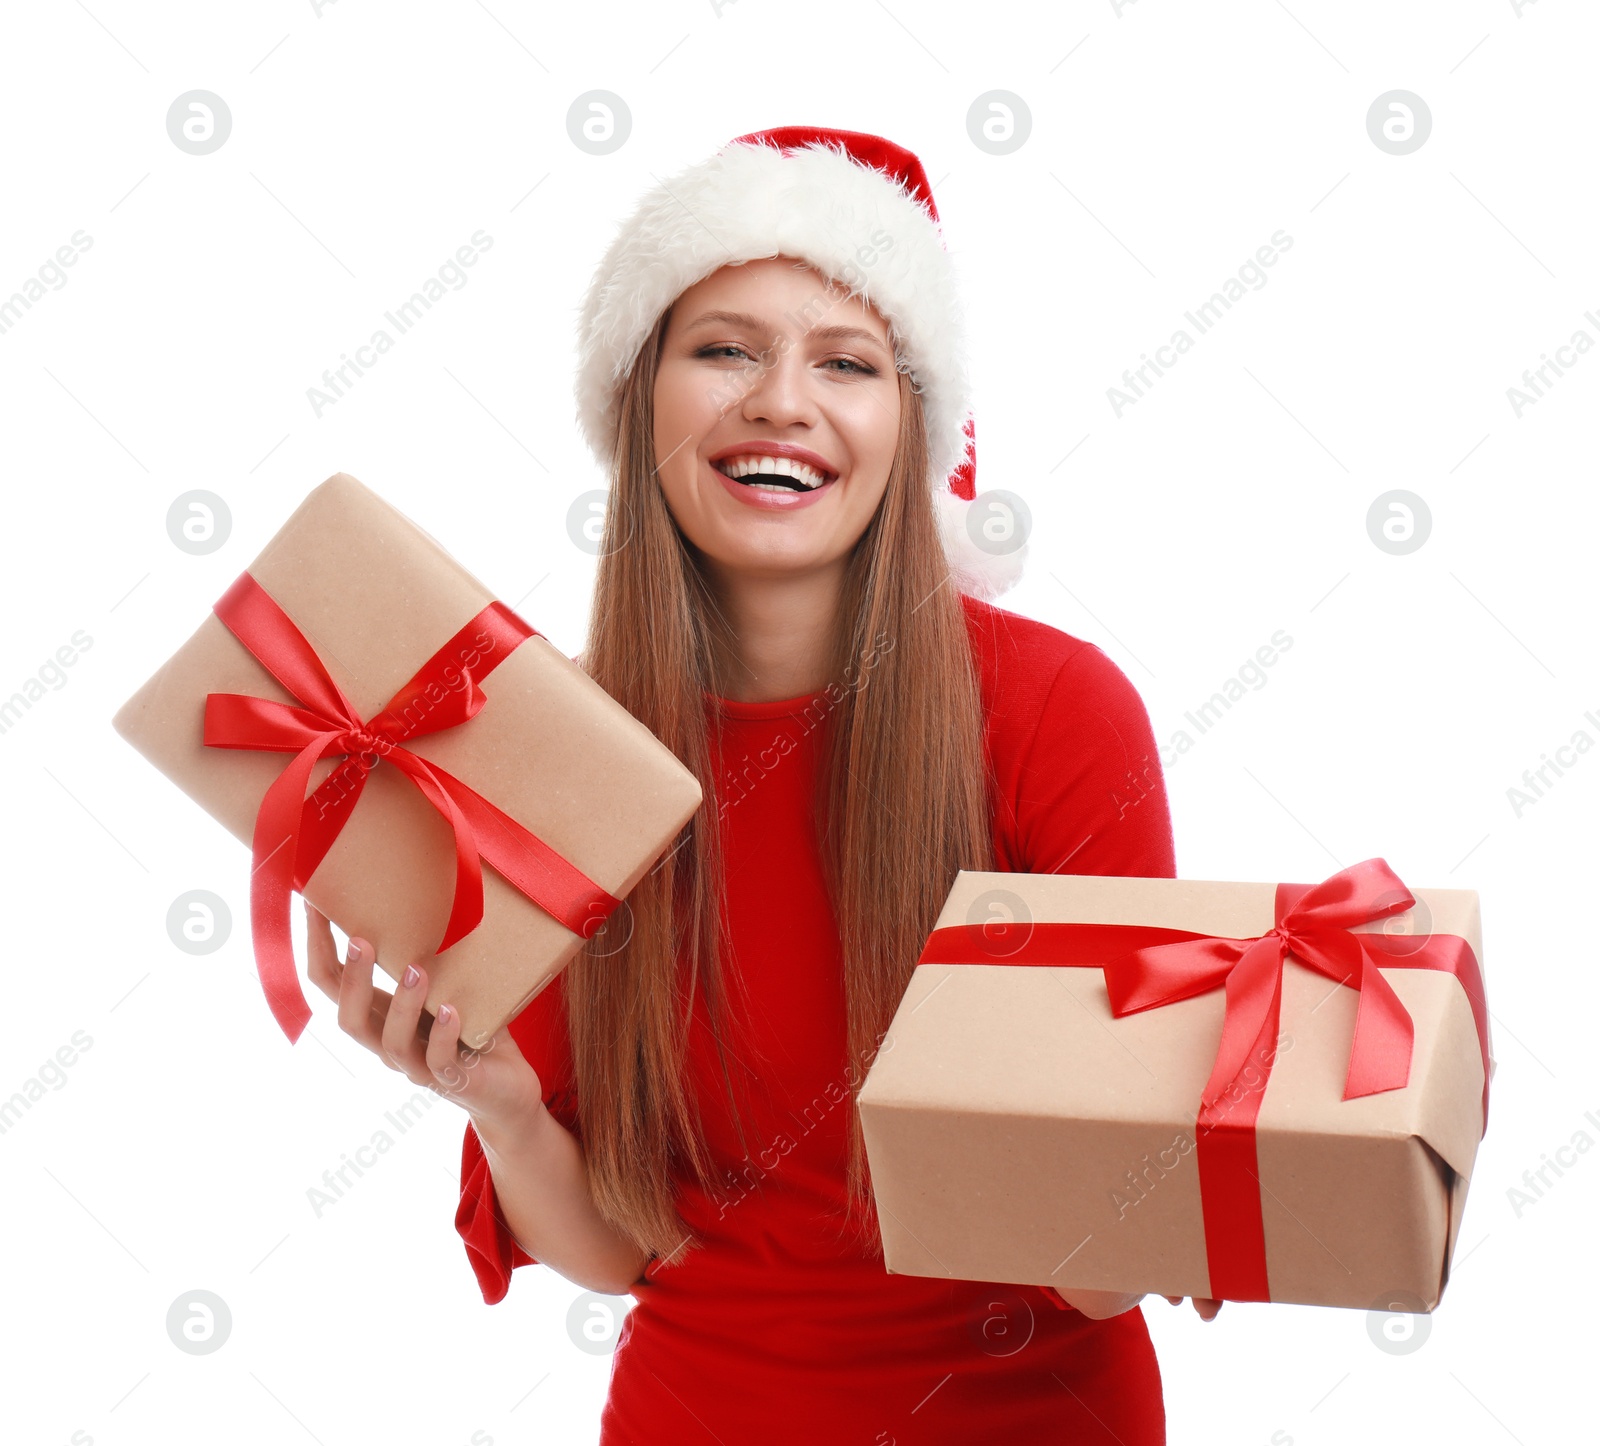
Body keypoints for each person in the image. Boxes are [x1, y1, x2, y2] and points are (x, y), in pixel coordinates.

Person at [304, 126, 1221, 1444]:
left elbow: (1095, 1270)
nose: (782, 400)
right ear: (641, 397)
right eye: (725, 347)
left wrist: (1173, 1174)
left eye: (846, 362)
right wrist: (499, 1109)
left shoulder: (1056, 714)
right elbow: (619, 1250)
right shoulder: (547, 750)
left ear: (913, 428)